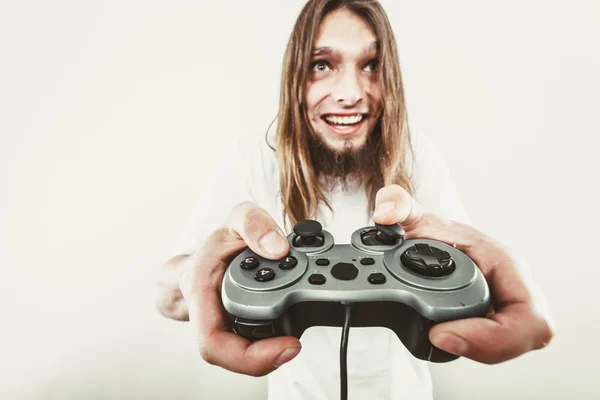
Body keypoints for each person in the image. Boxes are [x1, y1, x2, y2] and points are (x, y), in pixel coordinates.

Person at [155, 0, 554, 399]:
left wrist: (494, 286)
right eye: (322, 64)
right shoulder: (254, 158)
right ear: (295, 76)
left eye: (371, 65)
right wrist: (197, 275)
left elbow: (464, 289)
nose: (350, 94)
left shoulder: (418, 156)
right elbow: (167, 294)